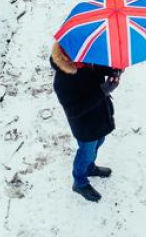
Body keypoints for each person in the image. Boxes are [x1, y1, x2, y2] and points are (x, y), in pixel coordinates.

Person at [50, 42, 122, 202]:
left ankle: (89, 167)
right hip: (85, 126)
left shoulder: (84, 59)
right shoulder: (62, 81)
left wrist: (114, 70)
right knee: (86, 152)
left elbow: (97, 69)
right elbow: (74, 111)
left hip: (100, 115)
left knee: (99, 142)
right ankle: (80, 182)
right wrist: (102, 91)